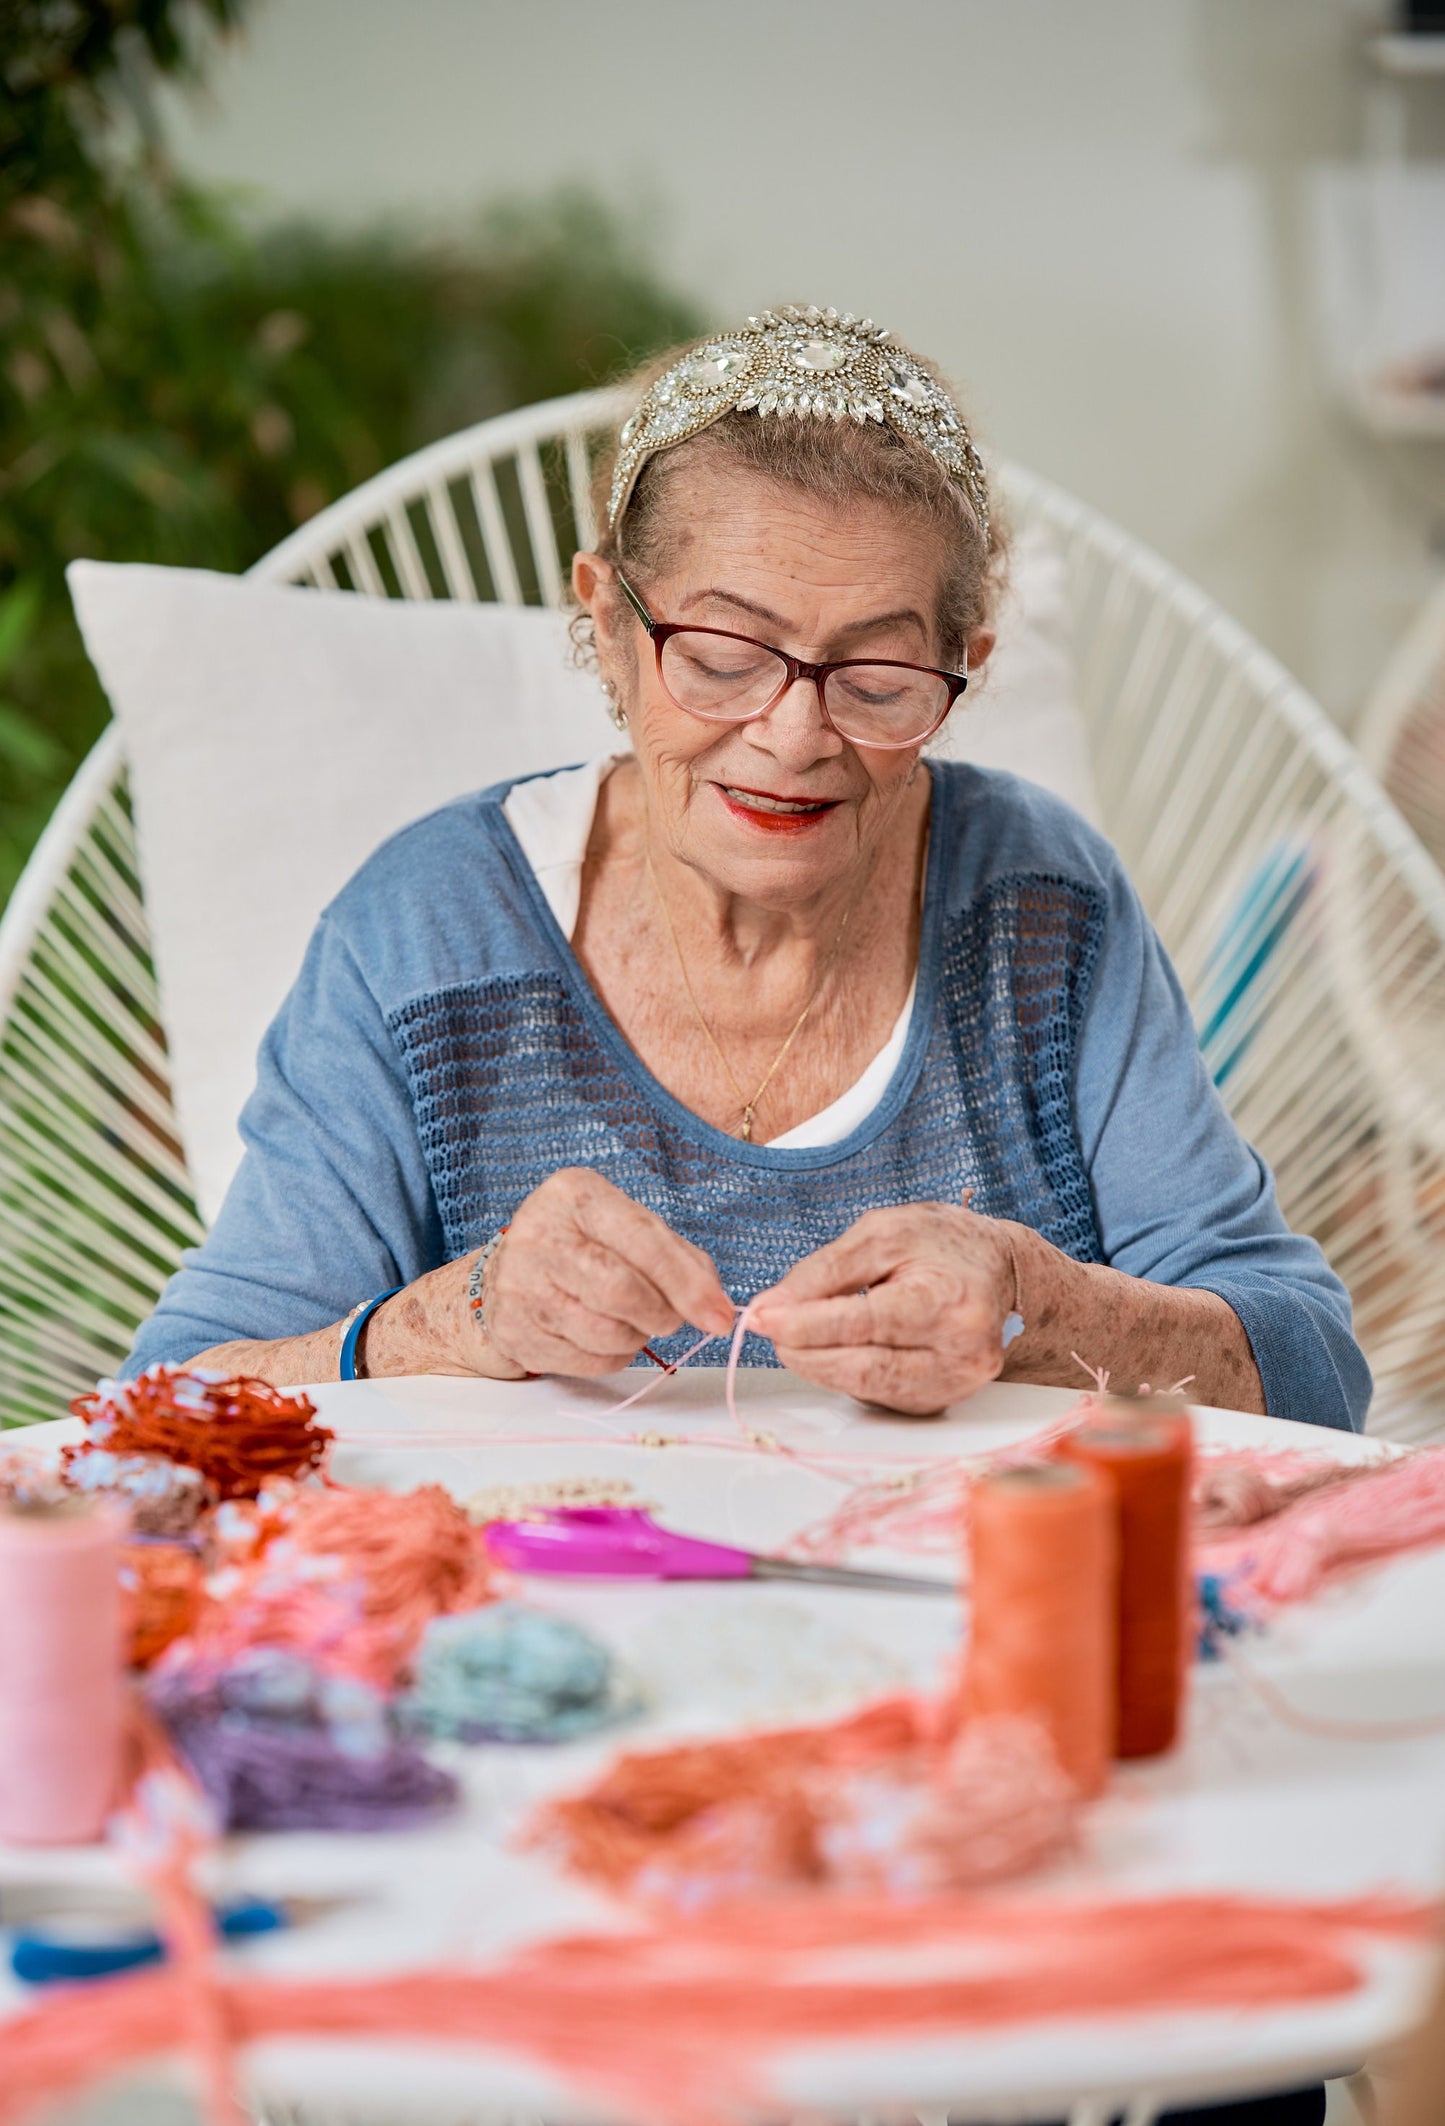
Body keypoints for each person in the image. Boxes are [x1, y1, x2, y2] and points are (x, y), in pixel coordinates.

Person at [123, 303, 1369, 1438]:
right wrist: (461, 1319)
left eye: (875, 679)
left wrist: (1036, 1306)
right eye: (722, 655)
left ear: (960, 667)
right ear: (608, 623)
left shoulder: (1040, 900)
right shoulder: (427, 931)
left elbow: (1308, 1366)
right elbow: (159, 1402)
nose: (792, 735)